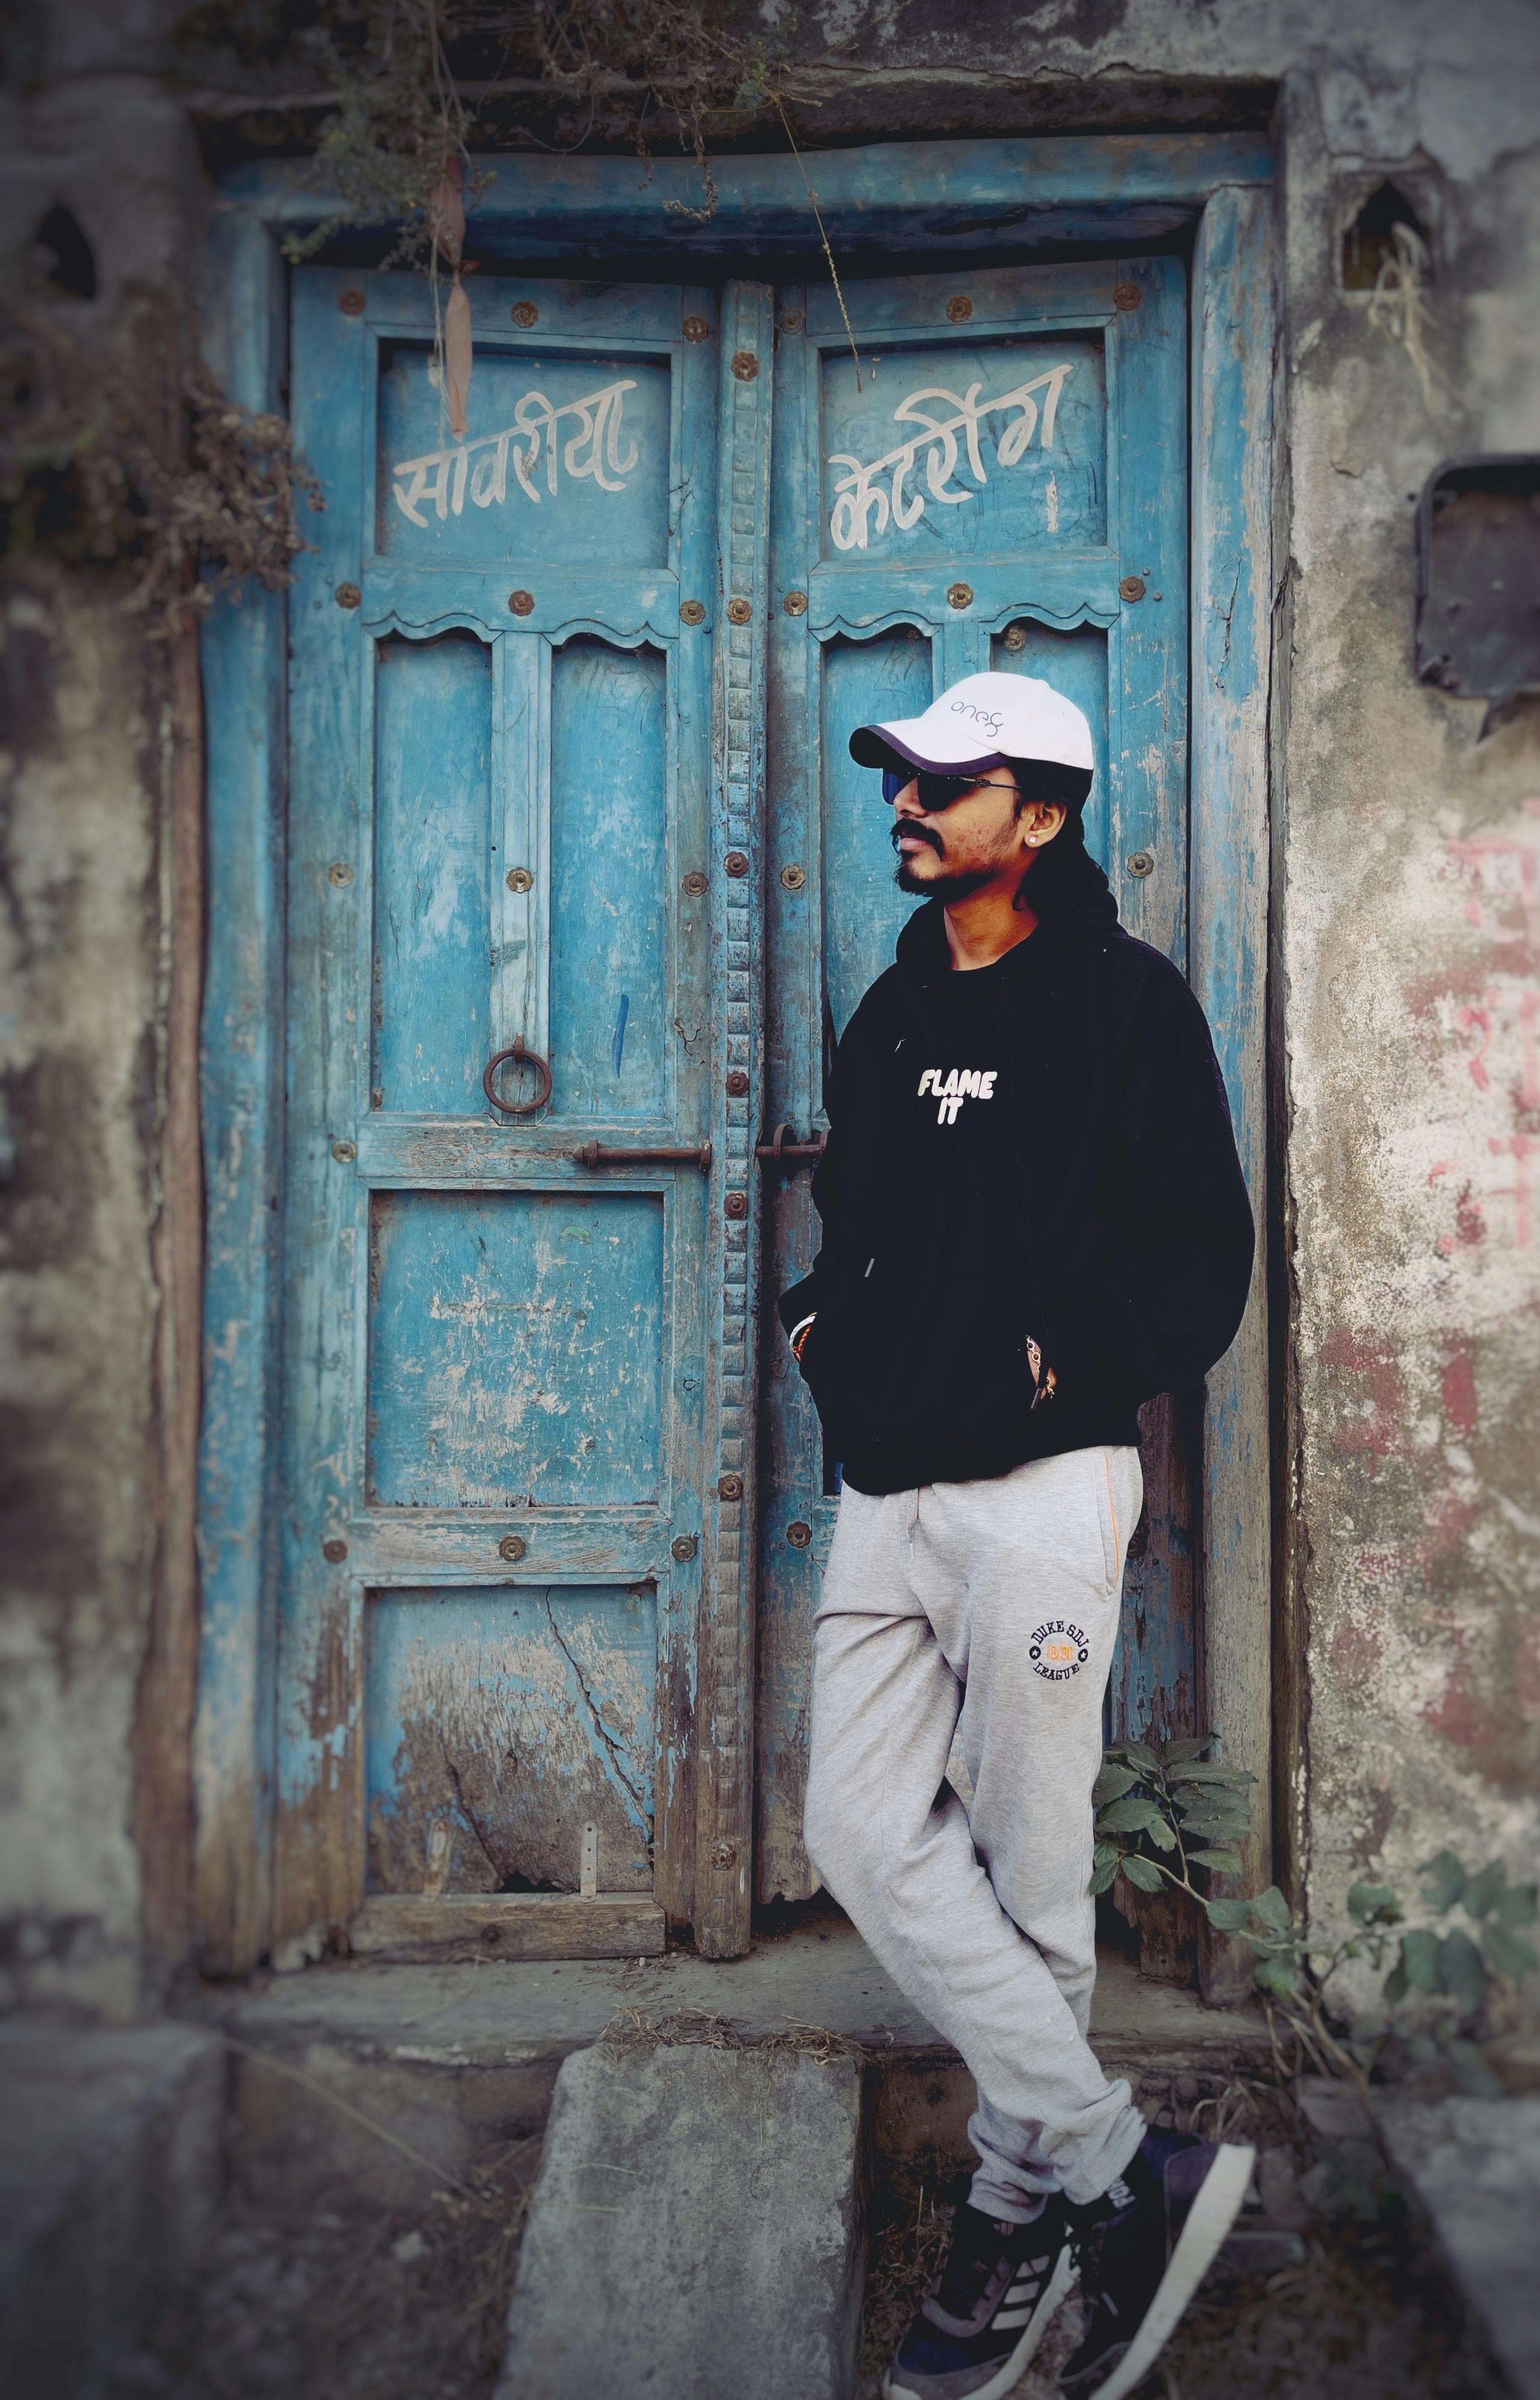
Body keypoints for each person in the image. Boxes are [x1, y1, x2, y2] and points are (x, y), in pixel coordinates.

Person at [780, 672, 1258, 2400]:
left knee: (1036, 1873)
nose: (904, 802)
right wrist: (820, 1320)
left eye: (942, 781)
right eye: (899, 779)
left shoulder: (1126, 1006)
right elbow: (855, 1205)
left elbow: (1203, 1245)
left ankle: (1010, 2225)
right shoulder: (900, 1001)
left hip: (1041, 1490)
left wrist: (1068, 1358)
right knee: (856, 1823)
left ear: (1036, 817)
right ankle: (1128, 2168)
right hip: (887, 1488)